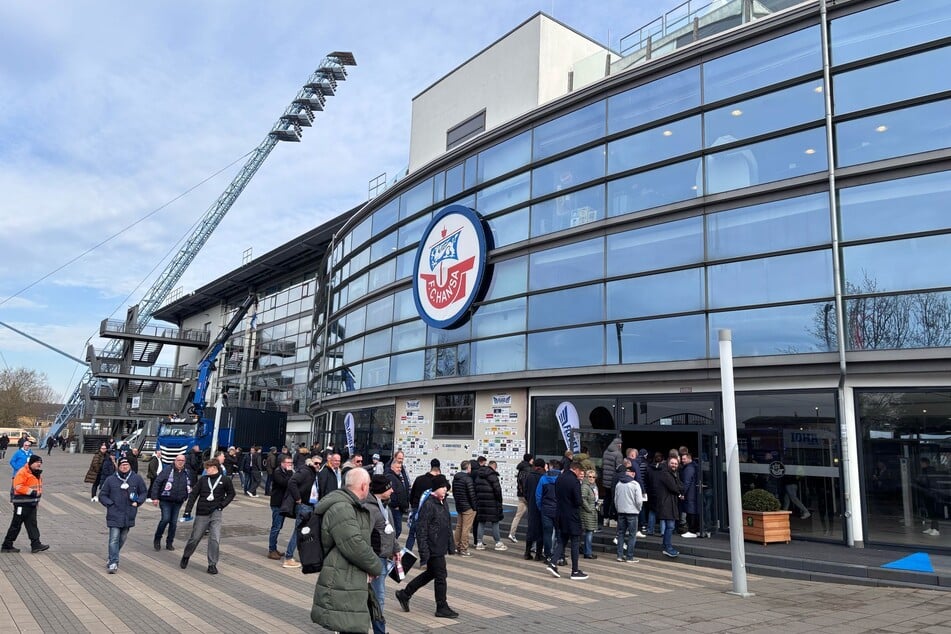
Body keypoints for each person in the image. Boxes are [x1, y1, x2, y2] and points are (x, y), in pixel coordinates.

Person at [311, 468, 383, 634]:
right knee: (348, 626)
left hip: (348, 575)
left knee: (349, 625)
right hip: (343, 576)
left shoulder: (349, 505)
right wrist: (376, 566)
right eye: (369, 485)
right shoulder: (342, 508)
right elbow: (354, 544)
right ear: (364, 486)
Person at [395, 474, 458, 619]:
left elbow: (447, 525)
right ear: (435, 489)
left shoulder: (443, 502)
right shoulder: (429, 504)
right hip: (432, 547)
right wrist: (424, 554)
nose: (445, 490)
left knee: (432, 573)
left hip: (440, 546)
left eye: (446, 488)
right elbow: (421, 530)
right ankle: (441, 607)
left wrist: (450, 545)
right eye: (442, 487)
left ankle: (405, 594)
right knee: (441, 576)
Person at [180, 459, 236, 574]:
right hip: (202, 513)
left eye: (208, 468)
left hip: (216, 513)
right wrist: (187, 511)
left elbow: (231, 493)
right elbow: (193, 495)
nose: (206, 470)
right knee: (195, 538)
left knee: (214, 539)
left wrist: (222, 505)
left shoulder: (225, 480)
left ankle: (212, 564)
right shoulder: (203, 480)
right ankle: (186, 555)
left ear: (214, 468)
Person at [364, 474, 401, 634]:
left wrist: (396, 549)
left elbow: (390, 530)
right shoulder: (369, 509)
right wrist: (369, 565)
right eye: (389, 488)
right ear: (381, 490)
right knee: (378, 599)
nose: (392, 490)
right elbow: (364, 537)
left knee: (375, 598)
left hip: (384, 558)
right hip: (375, 559)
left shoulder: (385, 506)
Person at [98, 457, 147, 573]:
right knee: (114, 539)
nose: (124, 467)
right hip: (114, 514)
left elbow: (144, 492)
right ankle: (114, 562)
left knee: (122, 538)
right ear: (118, 467)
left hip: (129, 514)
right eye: (122, 465)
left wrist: (138, 501)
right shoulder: (111, 480)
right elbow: (102, 495)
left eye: (126, 465)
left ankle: (111, 556)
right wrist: (110, 504)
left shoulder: (136, 478)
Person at [546, 459, 588, 580]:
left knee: (562, 541)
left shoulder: (560, 477)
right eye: (580, 471)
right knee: (575, 541)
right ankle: (574, 571)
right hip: (572, 516)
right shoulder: (574, 481)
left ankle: (553, 563)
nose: (580, 474)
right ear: (576, 469)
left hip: (560, 514)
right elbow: (578, 501)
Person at [2, 455, 49, 554]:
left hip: (31, 503)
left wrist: (37, 501)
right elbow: (18, 487)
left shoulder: (37, 473)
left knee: (32, 524)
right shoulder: (22, 472)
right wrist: (33, 493)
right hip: (21, 504)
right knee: (16, 524)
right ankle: (7, 545)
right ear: (31, 463)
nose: (39, 464)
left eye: (40, 462)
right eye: (37, 462)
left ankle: (35, 544)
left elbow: (38, 488)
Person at [283, 456, 320, 569]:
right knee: (299, 532)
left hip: (310, 505)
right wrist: (298, 498)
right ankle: (288, 557)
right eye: (316, 463)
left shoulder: (313, 472)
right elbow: (292, 482)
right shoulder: (305, 471)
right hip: (304, 506)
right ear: (311, 463)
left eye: (319, 463)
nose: (318, 465)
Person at [150, 454, 191, 551]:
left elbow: (190, 484)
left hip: (178, 501)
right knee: (165, 519)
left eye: (182, 460)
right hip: (166, 500)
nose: (180, 462)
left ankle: (169, 542)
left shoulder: (187, 472)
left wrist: (187, 495)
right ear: (175, 461)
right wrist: (154, 497)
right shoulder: (168, 470)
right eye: (178, 460)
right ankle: (157, 539)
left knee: (173, 523)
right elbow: (157, 483)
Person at [407, 458, 441, 551]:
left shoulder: (419, 479)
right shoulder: (437, 482)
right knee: (427, 535)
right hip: (429, 512)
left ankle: (406, 553)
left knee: (412, 533)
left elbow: (412, 495)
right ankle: (425, 558)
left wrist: (413, 506)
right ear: (438, 469)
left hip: (416, 509)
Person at [267, 454, 295, 560]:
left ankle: (274, 548)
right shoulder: (277, 472)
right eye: (288, 463)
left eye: (291, 463)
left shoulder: (288, 472)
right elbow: (286, 483)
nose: (290, 465)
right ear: (282, 463)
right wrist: (289, 472)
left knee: (279, 526)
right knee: (276, 527)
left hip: (284, 503)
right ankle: (271, 550)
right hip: (277, 503)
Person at [615, 463, 644, 562]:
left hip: (621, 512)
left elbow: (616, 499)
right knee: (632, 535)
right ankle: (629, 557)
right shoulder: (635, 484)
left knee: (621, 534)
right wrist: (638, 509)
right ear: (633, 474)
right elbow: (639, 501)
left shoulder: (619, 484)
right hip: (632, 512)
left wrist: (618, 509)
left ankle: (619, 555)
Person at [657, 455, 684, 558]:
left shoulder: (674, 473)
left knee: (669, 526)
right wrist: (679, 492)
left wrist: (680, 490)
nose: (674, 465)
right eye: (672, 463)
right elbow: (674, 487)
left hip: (670, 503)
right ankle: (668, 547)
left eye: (676, 463)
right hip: (666, 503)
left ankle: (666, 546)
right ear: (668, 463)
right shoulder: (665, 474)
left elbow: (681, 485)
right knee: (670, 526)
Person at [536, 459, 561, 563]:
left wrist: (541, 507)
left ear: (550, 466)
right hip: (559, 510)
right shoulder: (562, 478)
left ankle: (548, 555)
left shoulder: (543, 478)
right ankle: (559, 555)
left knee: (547, 533)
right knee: (559, 533)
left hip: (546, 509)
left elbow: (538, 495)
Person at [451, 460, 477, 557]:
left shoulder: (456, 478)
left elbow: (454, 492)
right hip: (468, 507)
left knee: (459, 527)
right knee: (466, 528)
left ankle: (456, 546)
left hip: (459, 506)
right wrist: (474, 507)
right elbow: (472, 494)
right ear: (468, 468)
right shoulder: (468, 479)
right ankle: (463, 549)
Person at [523, 458, 547, 561]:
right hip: (541, 506)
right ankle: (538, 554)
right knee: (541, 530)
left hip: (531, 505)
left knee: (531, 529)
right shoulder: (544, 477)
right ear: (542, 467)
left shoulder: (529, 476)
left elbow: (525, 491)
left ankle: (527, 552)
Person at [385, 450, 411, 538]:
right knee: (396, 529)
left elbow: (405, 483)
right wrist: (395, 504)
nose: (401, 460)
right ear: (394, 458)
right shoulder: (390, 473)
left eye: (402, 459)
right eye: (399, 458)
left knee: (397, 529)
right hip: (395, 507)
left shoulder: (402, 470)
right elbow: (392, 491)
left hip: (401, 505)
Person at [509, 452, 533, 543]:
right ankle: (531, 536)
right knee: (532, 516)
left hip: (520, 495)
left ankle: (512, 533)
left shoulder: (521, 468)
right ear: (529, 460)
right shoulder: (528, 470)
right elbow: (527, 484)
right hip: (527, 496)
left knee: (518, 515)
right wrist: (528, 495)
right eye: (532, 459)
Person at [601, 437, 623, 526]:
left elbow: (603, 465)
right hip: (613, 480)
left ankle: (605, 518)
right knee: (614, 499)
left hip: (605, 480)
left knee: (607, 499)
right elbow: (619, 468)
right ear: (618, 445)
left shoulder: (606, 452)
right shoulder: (618, 454)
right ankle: (612, 519)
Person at [680, 450, 701, 537]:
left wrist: (682, 493)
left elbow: (686, 482)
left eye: (684, 459)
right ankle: (695, 529)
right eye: (682, 459)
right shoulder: (694, 466)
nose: (682, 461)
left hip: (690, 493)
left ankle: (692, 531)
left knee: (690, 511)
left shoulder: (689, 469)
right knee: (693, 511)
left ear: (689, 459)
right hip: (693, 493)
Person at [581, 469, 599, 559]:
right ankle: (588, 552)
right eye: (590, 476)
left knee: (590, 532)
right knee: (589, 532)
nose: (592, 478)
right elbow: (583, 499)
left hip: (593, 511)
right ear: (586, 477)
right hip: (587, 512)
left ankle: (586, 550)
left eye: (593, 477)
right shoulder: (585, 486)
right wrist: (589, 509)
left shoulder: (594, 486)